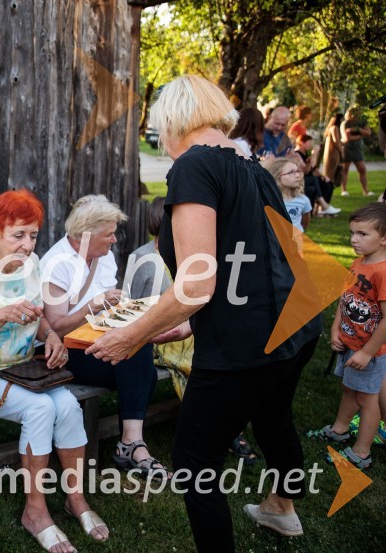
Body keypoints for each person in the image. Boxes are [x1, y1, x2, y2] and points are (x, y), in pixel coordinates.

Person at [85, 75, 321, 552]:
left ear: (171, 121)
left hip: (246, 344)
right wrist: (190, 322)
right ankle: (282, 508)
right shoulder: (251, 164)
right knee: (275, 419)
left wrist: (130, 335)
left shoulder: (194, 166)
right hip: (297, 328)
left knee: (194, 462)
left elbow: (196, 283)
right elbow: (258, 262)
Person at [0, 189, 108, 553]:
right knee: (42, 408)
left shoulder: (32, 266)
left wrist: (51, 337)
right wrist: (3, 313)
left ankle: (75, 498)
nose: (27, 244)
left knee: (66, 406)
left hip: (21, 369)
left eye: (33, 235)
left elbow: (37, 320)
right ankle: (35, 510)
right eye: (17, 235)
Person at [39, 194, 169, 479]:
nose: (114, 240)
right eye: (108, 234)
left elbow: (108, 306)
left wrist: (123, 308)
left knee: (137, 347)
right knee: (136, 360)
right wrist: (94, 305)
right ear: (85, 236)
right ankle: (132, 446)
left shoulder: (103, 256)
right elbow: (56, 328)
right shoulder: (58, 264)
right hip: (64, 350)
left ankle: (130, 443)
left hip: (95, 340)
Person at [123, 198, 259, 465]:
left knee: (225, 352)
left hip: (191, 329)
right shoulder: (143, 258)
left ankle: (230, 425)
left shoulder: (195, 259)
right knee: (203, 362)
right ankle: (221, 429)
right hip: (156, 335)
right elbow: (129, 308)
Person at [307, 203, 386, 470]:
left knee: (367, 399)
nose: (354, 239)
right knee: (349, 389)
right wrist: (335, 328)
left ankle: (361, 452)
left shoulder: (383, 272)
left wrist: (366, 352)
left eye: (363, 234)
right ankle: (339, 430)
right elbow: (346, 298)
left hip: (371, 352)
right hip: (350, 342)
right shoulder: (359, 263)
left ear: (384, 238)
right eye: (353, 233)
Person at [293, 133, 340, 216]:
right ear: (301, 142)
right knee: (313, 182)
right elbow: (306, 171)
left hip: (309, 179)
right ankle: (324, 207)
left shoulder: (306, 154)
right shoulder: (296, 154)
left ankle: (322, 209)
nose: (311, 144)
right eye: (309, 142)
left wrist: (323, 176)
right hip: (300, 180)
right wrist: (314, 155)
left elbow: (313, 168)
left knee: (328, 183)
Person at [262, 158, 311, 233]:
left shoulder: (303, 200)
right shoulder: (269, 200)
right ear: (277, 176)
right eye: (291, 172)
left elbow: (305, 222)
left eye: (297, 171)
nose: (297, 175)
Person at [340, 105, 373, 196]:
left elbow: (369, 133)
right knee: (345, 169)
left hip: (358, 149)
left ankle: (365, 190)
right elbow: (347, 138)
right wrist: (361, 134)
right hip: (347, 149)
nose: (355, 115)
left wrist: (357, 130)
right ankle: (344, 190)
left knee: (362, 169)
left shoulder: (361, 123)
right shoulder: (345, 123)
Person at [322, 113, 345, 186]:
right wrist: (342, 152)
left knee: (329, 172)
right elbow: (336, 141)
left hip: (330, 153)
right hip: (333, 153)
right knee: (331, 172)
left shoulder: (331, 128)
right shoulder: (335, 128)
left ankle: (328, 187)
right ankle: (328, 188)